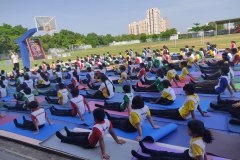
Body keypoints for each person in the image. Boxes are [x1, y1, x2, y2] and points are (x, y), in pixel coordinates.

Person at [56, 108, 126, 160]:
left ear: (95, 119)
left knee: (74, 140)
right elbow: (112, 131)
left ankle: (63, 138)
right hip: (93, 135)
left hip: (89, 143)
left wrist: (103, 154)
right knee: (81, 133)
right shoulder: (108, 121)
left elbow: (101, 141)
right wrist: (117, 140)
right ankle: (70, 133)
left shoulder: (96, 128)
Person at [132, 120, 213, 160]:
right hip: (187, 154)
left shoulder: (196, 143)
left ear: (194, 132)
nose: (186, 130)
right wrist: (206, 157)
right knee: (166, 153)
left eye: (188, 129)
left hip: (189, 158)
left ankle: (142, 158)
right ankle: (146, 150)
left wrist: (205, 158)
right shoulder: (199, 136)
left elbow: (199, 156)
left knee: (163, 158)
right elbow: (203, 150)